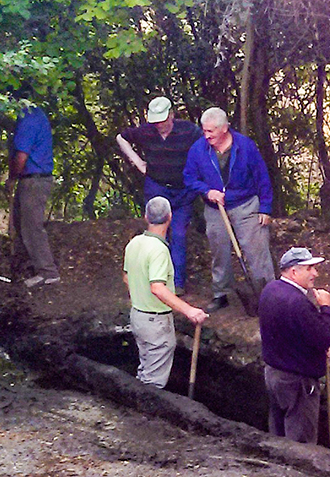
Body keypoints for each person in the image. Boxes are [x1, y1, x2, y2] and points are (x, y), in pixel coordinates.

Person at [183, 106, 277, 311]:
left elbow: (262, 176)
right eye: (204, 130)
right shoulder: (198, 149)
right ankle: (221, 293)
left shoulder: (245, 146)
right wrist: (207, 191)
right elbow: (189, 178)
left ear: (224, 128)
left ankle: (270, 295)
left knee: (256, 251)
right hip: (215, 208)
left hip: (246, 205)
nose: (206, 135)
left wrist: (265, 208)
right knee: (219, 252)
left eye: (211, 131)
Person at [116, 96, 202, 292]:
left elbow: (205, 146)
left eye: (163, 120)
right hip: (157, 188)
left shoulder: (188, 130)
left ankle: (177, 283)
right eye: (156, 121)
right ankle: (156, 279)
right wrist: (138, 163)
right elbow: (121, 137)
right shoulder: (146, 131)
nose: (160, 125)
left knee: (178, 234)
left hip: (182, 191)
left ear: (171, 115)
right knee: (156, 235)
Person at [124, 196, 209, 389]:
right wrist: (189, 311)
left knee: (146, 368)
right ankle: (145, 416)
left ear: (146, 217)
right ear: (170, 217)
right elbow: (158, 288)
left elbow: (127, 278)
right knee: (153, 383)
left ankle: (138, 405)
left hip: (138, 316)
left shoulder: (134, 243)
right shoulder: (159, 250)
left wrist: (140, 299)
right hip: (155, 322)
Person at [258, 246, 330, 444]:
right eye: (309, 269)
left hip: (274, 374)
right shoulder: (297, 303)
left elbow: (289, 331)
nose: (315, 274)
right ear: (294, 271)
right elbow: (324, 337)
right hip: (297, 382)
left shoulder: (270, 290)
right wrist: (325, 308)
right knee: (301, 443)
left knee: (278, 433)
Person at [10, 104, 61, 287]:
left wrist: (12, 177)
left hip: (34, 179)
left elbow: (22, 156)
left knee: (32, 226)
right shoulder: (36, 114)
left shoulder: (28, 118)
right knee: (22, 223)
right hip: (35, 178)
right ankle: (33, 264)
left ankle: (48, 272)